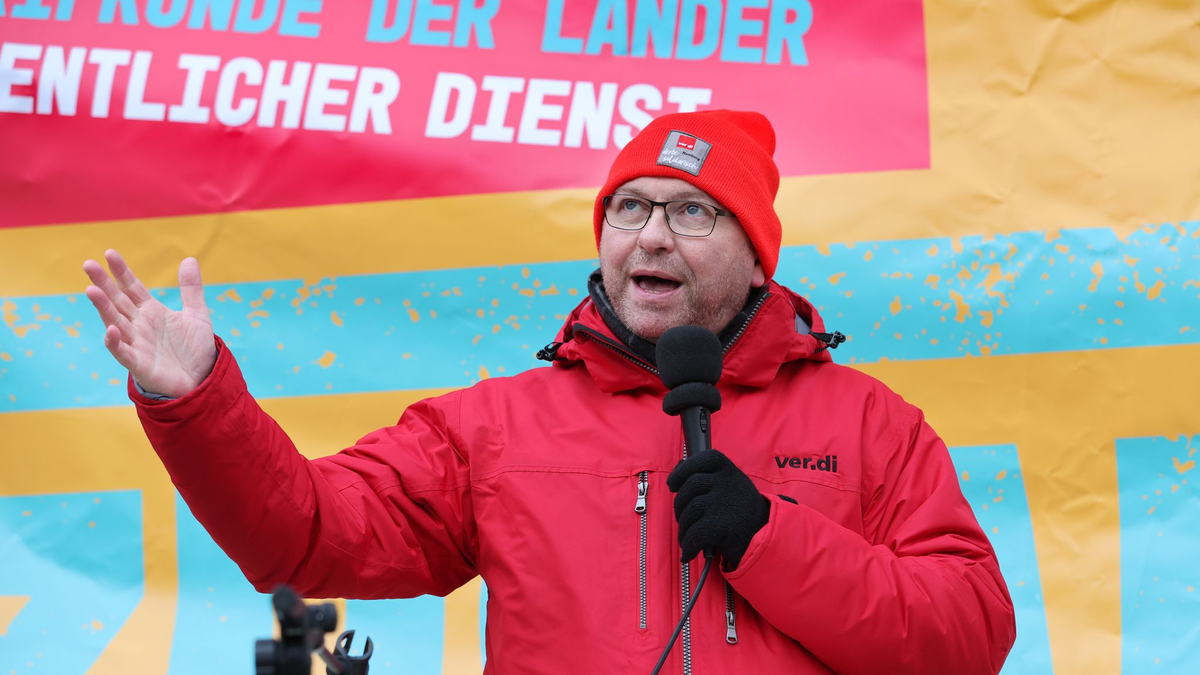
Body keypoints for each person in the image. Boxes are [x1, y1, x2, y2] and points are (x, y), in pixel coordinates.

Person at [83, 110, 1015, 674]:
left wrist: (773, 539)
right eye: (628, 207)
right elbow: (307, 534)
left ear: (756, 253)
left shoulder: (868, 424)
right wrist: (199, 398)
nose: (651, 236)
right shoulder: (494, 427)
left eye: (692, 211)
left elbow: (968, 637)